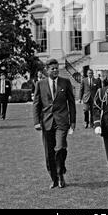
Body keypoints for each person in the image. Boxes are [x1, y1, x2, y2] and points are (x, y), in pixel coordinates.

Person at [33, 59, 76, 189]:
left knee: (60, 147)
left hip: (62, 122)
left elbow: (72, 104)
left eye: (57, 68)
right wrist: (36, 122)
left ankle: (60, 172)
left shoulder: (65, 82)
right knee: (48, 153)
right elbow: (36, 104)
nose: (55, 70)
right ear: (47, 70)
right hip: (46, 122)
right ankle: (54, 178)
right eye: (53, 68)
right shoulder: (40, 84)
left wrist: (73, 121)